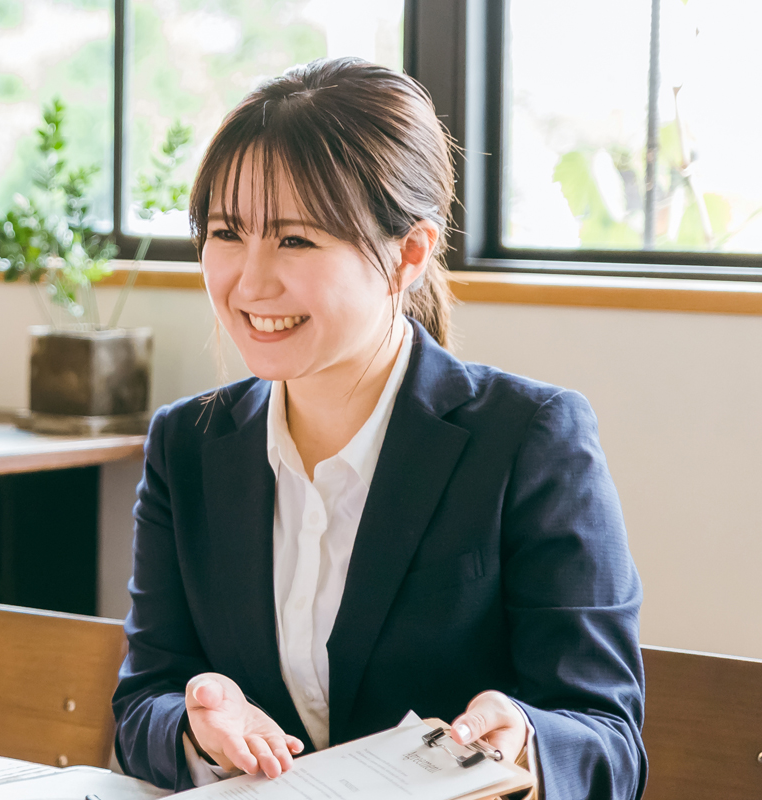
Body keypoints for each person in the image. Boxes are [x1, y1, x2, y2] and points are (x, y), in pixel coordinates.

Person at [110, 58, 644, 800]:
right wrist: (196, 728)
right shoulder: (188, 446)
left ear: (409, 254)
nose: (252, 281)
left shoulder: (530, 439)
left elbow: (609, 740)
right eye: (228, 233)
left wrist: (522, 741)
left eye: (295, 240)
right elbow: (144, 702)